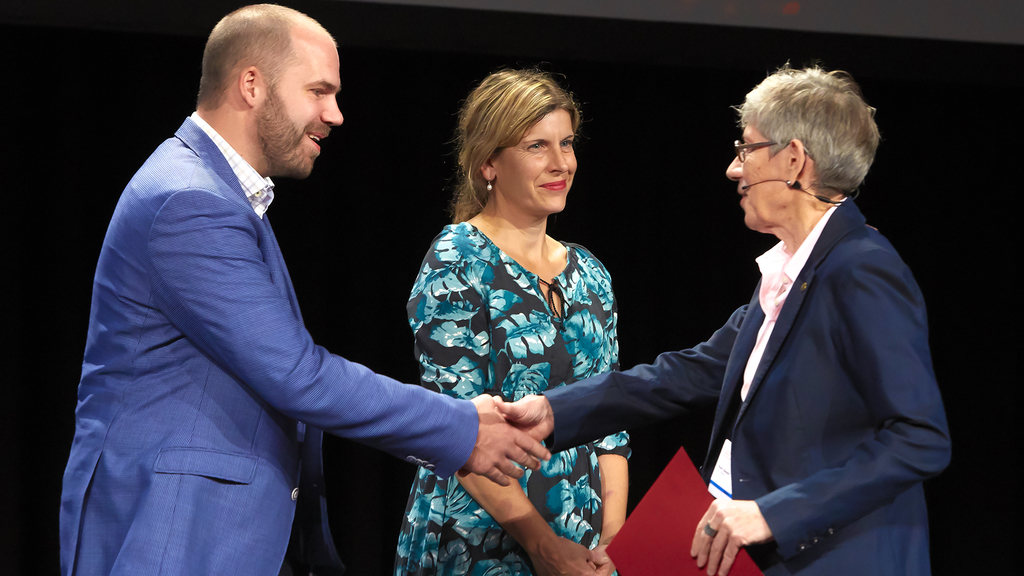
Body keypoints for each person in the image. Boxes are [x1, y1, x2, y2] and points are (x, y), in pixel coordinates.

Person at [58, 6, 549, 576]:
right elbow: (296, 374)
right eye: (319, 91)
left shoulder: (221, 195)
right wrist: (460, 428)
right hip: (176, 537)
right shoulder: (189, 202)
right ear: (251, 84)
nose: (335, 114)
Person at [502, 65, 951, 576]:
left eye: (747, 149)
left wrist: (772, 514)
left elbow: (920, 438)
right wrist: (552, 411)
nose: (734, 169)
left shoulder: (861, 268)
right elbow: (687, 373)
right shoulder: (790, 269)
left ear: (794, 160)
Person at [394, 69, 630, 576]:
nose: (560, 163)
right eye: (536, 146)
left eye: (566, 144)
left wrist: (612, 538)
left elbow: (610, 421)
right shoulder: (457, 257)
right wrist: (542, 545)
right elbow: (454, 428)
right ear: (488, 163)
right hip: (481, 542)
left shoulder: (590, 272)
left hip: (579, 544)